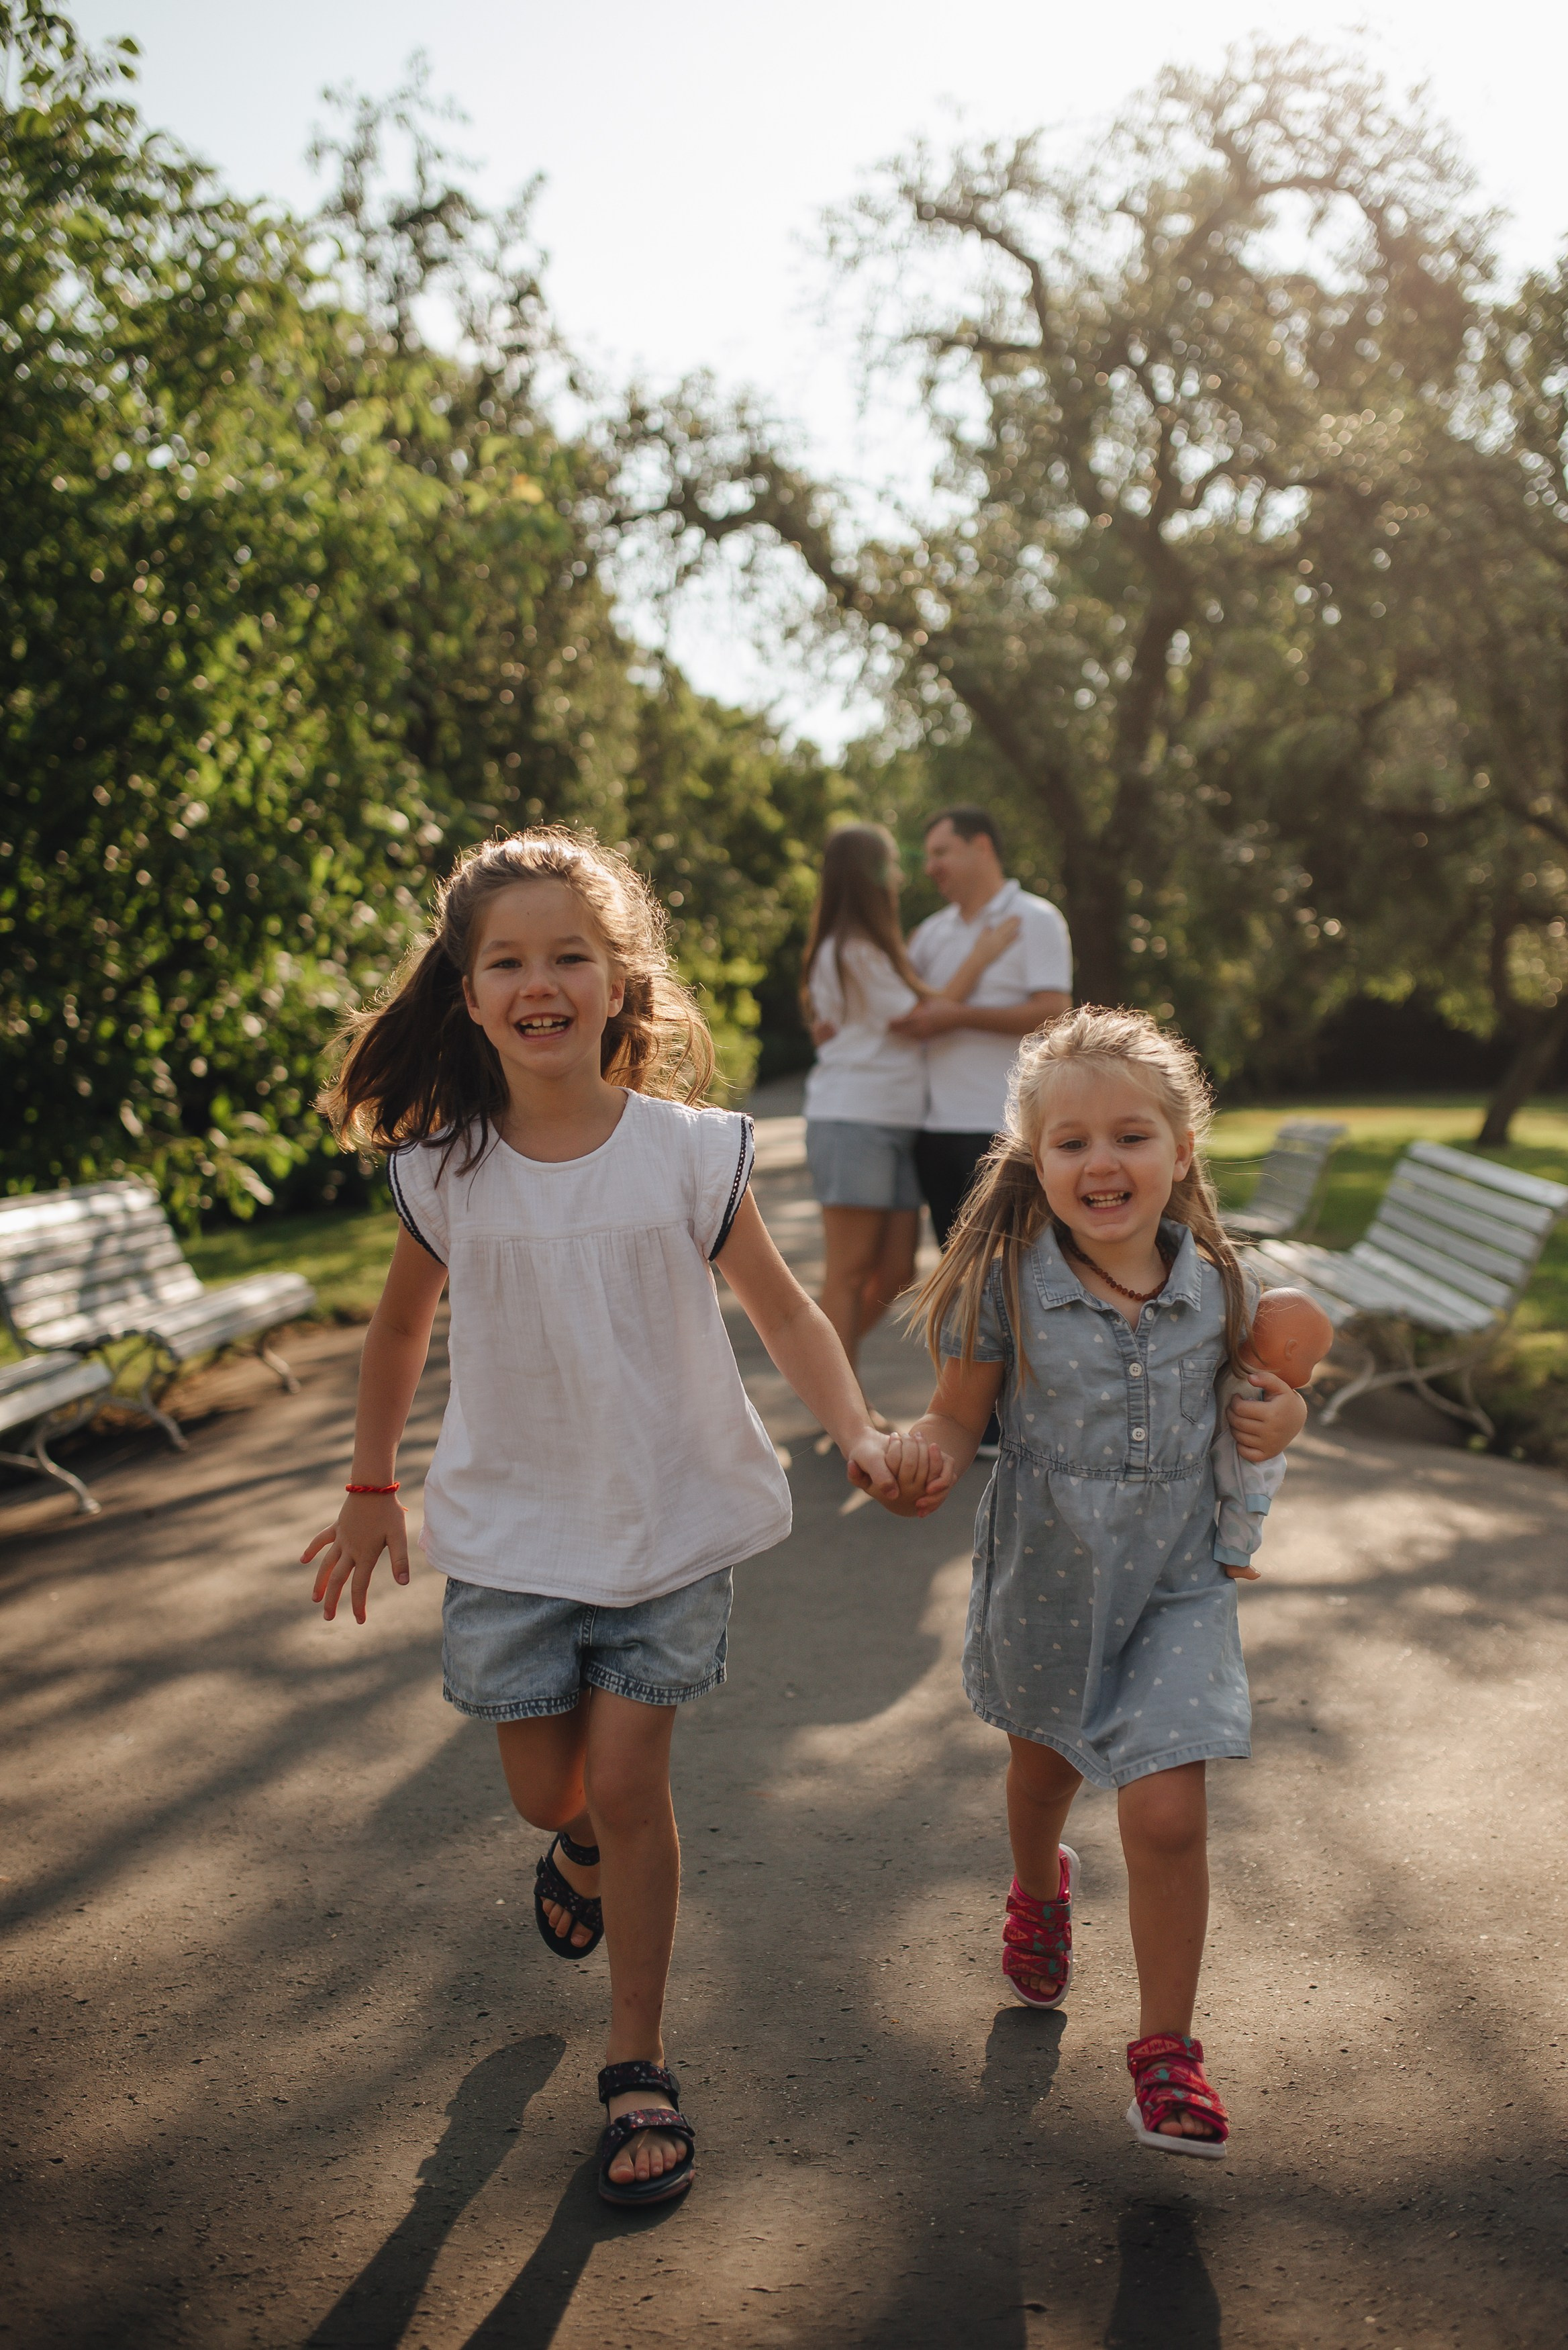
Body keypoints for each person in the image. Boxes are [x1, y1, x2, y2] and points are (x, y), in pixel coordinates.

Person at [301, 830, 903, 2209]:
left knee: (634, 1786)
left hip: (664, 1519)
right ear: (465, 992)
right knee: (549, 1792)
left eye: (571, 953)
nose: (541, 979)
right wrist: (370, 1484)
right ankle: (575, 1844)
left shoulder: (688, 1156)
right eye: (507, 958)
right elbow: (397, 1329)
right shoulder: (446, 1174)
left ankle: (638, 2057)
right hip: (514, 1536)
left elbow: (787, 1307)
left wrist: (859, 1431)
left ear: (620, 980)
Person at [873, 1008, 1308, 2159]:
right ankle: (1036, 1886)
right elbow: (956, 1416)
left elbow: (1266, 1393)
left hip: (1178, 1585)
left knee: (1168, 1812)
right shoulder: (1005, 1287)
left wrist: (1283, 1415)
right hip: (1050, 1582)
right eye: (1069, 1144)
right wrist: (917, 1458)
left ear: (1180, 1149)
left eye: (1129, 1137)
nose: (1100, 1163)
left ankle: (1167, 2051)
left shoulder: (1225, 1287)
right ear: (1035, 1159)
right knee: (1042, 1770)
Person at [801, 822, 1021, 1382]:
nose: (900, 875)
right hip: (855, 1118)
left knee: (898, 1269)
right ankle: (839, 1400)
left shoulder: (872, 950)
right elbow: (926, 1015)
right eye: (891, 864)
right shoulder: (850, 950)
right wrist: (984, 952)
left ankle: (818, 1367)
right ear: (869, 875)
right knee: (849, 1273)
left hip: (898, 1121)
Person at [892, 806, 1073, 1250]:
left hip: (1007, 1130)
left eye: (941, 852)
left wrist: (959, 1017)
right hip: (935, 1132)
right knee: (956, 1275)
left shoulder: (1037, 918)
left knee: (1017, 1272)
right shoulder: (930, 933)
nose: (931, 866)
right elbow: (909, 1018)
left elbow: (1054, 1011)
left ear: (982, 847)